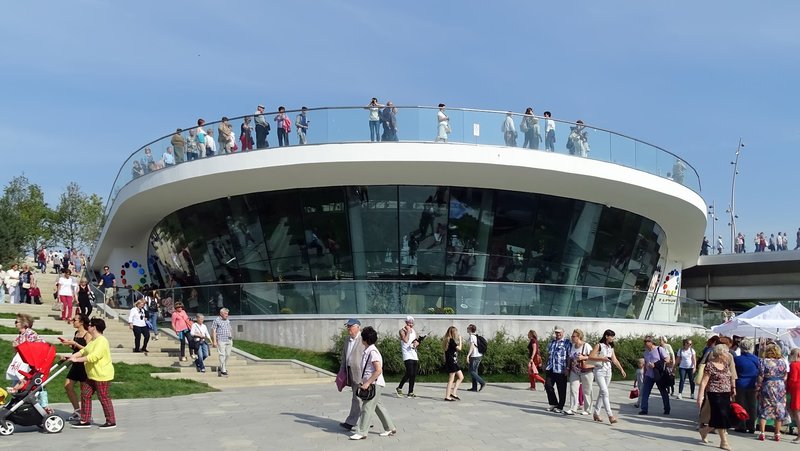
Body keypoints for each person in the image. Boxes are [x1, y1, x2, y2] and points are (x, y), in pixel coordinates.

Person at [349, 326, 397, 440]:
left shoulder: (373, 352)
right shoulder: (368, 351)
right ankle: (390, 428)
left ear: (364, 339)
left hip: (374, 384)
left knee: (367, 407)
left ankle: (362, 432)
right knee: (378, 406)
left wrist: (367, 383)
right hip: (372, 383)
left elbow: (378, 370)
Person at [69, 318, 116, 429]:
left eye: (90, 325)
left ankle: (111, 421)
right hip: (91, 375)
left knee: (103, 397)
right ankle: (85, 420)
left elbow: (94, 357)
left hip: (101, 375)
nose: (88, 327)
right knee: (85, 394)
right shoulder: (93, 341)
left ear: (94, 327)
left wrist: (77, 360)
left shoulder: (102, 341)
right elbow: (84, 351)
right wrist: (72, 357)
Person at [697, 344, 736, 449]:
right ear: (720, 354)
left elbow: (730, 377)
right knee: (721, 415)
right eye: (726, 353)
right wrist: (700, 397)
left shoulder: (725, 364)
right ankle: (724, 442)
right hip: (714, 393)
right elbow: (704, 382)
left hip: (726, 393)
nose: (728, 355)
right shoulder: (710, 365)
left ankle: (704, 431)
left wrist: (733, 388)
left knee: (721, 417)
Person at [585, 329, 626, 424]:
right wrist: (602, 358)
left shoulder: (610, 347)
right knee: (605, 392)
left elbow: (614, 359)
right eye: (611, 336)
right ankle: (610, 415)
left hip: (608, 371)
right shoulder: (599, 345)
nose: (612, 339)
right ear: (606, 336)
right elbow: (590, 357)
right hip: (599, 371)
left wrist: (621, 369)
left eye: (613, 337)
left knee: (602, 393)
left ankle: (596, 413)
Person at [61, 313, 92, 422]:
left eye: (75, 320)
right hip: (75, 363)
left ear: (81, 322)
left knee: (84, 390)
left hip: (83, 364)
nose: (73, 321)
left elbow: (88, 350)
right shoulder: (76, 333)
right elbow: (76, 349)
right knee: (68, 386)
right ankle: (77, 409)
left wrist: (74, 343)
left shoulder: (88, 334)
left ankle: (85, 413)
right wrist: (70, 344)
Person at [756, 343, 789, 441]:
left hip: (768, 385)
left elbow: (760, 376)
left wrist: (758, 387)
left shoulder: (763, 361)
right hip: (780, 386)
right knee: (779, 409)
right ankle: (777, 434)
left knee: (764, 408)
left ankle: (762, 433)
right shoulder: (783, 362)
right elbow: (785, 376)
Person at [338, 318, 365, 431]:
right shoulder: (347, 340)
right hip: (349, 371)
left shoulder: (364, 339)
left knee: (357, 398)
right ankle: (366, 420)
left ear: (358, 327)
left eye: (351, 326)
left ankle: (351, 422)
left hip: (361, 373)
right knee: (360, 398)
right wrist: (342, 370)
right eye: (347, 326)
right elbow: (344, 356)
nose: (349, 328)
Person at [639, 335, 671, 416]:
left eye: (647, 341)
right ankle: (644, 409)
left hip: (659, 375)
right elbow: (645, 364)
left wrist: (655, 365)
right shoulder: (645, 352)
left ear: (652, 342)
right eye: (645, 341)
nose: (645, 343)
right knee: (645, 392)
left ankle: (667, 408)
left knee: (663, 392)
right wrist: (644, 374)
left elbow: (667, 359)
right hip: (649, 375)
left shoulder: (659, 349)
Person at [565, 328, 593, 415]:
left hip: (586, 371)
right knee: (573, 389)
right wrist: (568, 368)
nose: (572, 338)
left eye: (574, 336)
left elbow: (593, 357)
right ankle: (573, 408)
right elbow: (570, 358)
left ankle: (588, 409)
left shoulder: (586, 346)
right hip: (574, 371)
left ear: (579, 337)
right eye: (572, 336)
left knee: (587, 390)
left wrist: (583, 357)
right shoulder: (572, 346)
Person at [732, 338, 758, 433]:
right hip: (752, 384)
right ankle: (751, 426)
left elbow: (733, 372)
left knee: (741, 406)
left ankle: (741, 425)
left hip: (740, 384)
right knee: (752, 406)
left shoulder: (737, 359)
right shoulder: (756, 359)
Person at [544, 327, 570, 413]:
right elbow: (548, 354)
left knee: (561, 389)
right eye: (556, 333)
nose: (558, 334)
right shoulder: (552, 342)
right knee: (548, 385)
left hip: (561, 369)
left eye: (559, 333)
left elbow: (569, 356)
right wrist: (545, 363)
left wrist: (567, 368)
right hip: (551, 367)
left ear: (563, 333)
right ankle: (553, 403)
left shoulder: (566, 342)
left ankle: (560, 406)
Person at [395, 316, 419, 398]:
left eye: (412, 323)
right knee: (410, 373)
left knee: (413, 374)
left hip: (414, 354)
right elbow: (405, 340)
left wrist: (417, 343)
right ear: (406, 323)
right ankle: (399, 387)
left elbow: (415, 340)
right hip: (407, 354)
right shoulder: (402, 331)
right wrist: (408, 331)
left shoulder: (414, 331)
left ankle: (410, 392)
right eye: (409, 323)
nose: (411, 325)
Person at [442, 326, 463, 401]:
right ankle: (447, 396)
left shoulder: (449, 340)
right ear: (453, 333)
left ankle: (453, 393)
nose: (457, 334)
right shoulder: (450, 340)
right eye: (456, 332)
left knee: (461, 377)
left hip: (454, 362)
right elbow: (459, 348)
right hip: (452, 362)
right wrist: (460, 340)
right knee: (451, 379)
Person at [211, 307, 233, 377]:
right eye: (225, 313)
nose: (227, 315)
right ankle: (223, 370)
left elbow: (229, 329)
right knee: (222, 355)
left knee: (228, 354)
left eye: (227, 313)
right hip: (221, 340)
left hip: (228, 340)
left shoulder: (227, 320)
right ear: (221, 313)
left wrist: (231, 336)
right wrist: (214, 341)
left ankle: (223, 366)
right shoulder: (216, 320)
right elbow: (214, 331)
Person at [466, 324, 486, 392]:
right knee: (474, 372)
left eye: (468, 328)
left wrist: (468, 355)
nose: (467, 329)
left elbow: (472, 347)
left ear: (470, 329)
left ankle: (482, 382)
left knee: (471, 371)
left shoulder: (472, 336)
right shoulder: (475, 336)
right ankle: (474, 388)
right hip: (478, 355)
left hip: (475, 356)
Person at [786, 348, 800, 443]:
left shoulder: (794, 365)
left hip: (796, 390)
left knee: (797, 413)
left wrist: (787, 389)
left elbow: (793, 379)